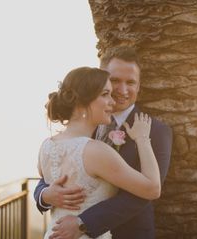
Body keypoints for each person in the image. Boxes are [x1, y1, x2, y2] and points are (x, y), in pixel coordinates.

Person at [34, 47, 173, 239]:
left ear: (139, 86)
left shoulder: (155, 131)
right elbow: (55, 175)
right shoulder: (83, 130)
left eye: (131, 82)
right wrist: (44, 195)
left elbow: (141, 195)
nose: (122, 90)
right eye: (114, 81)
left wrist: (83, 223)